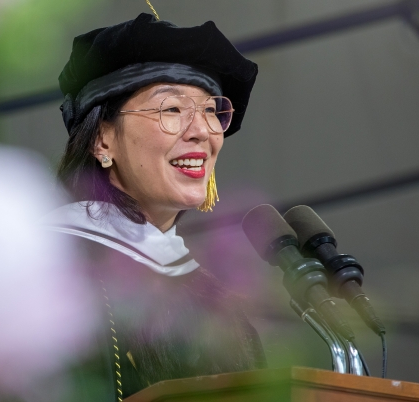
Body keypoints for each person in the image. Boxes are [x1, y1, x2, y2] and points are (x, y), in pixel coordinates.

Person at [41, 13, 267, 400]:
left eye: (212, 110)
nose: (201, 130)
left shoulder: (212, 300)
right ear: (102, 140)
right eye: (172, 110)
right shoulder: (53, 263)